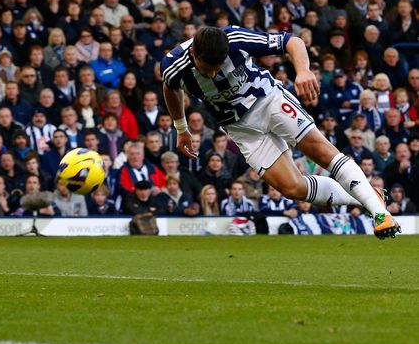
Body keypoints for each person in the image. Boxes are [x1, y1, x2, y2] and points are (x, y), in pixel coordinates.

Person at [162, 26, 400, 238]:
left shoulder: (234, 38)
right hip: (240, 128)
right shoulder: (173, 66)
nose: (213, 74)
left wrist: (303, 71)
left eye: (217, 67)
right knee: (292, 188)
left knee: (323, 152)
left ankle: (381, 215)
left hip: (268, 101)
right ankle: (370, 196)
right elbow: (170, 87)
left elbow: (291, 41)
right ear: (194, 54)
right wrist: (181, 128)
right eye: (207, 69)